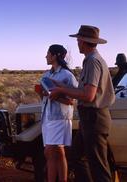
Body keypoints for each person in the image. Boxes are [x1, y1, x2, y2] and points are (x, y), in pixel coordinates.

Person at [50, 25, 115, 182]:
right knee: (76, 156)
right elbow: (85, 91)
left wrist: (61, 91)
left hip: (94, 118)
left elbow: (88, 95)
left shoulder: (93, 61)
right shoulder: (91, 60)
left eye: (78, 40)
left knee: (98, 166)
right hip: (89, 119)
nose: (77, 42)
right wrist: (61, 86)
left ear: (83, 41)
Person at [37, 44, 77, 182]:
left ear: (55, 56)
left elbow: (72, 100)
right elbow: (46, 97)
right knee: (58, 153)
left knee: (49, 152)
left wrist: (56, 96)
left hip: (60, 118)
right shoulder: (47, 75)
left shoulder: (67, 75)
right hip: (47, 117)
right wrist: (41, 93)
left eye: (48, 53)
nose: (46, 56)